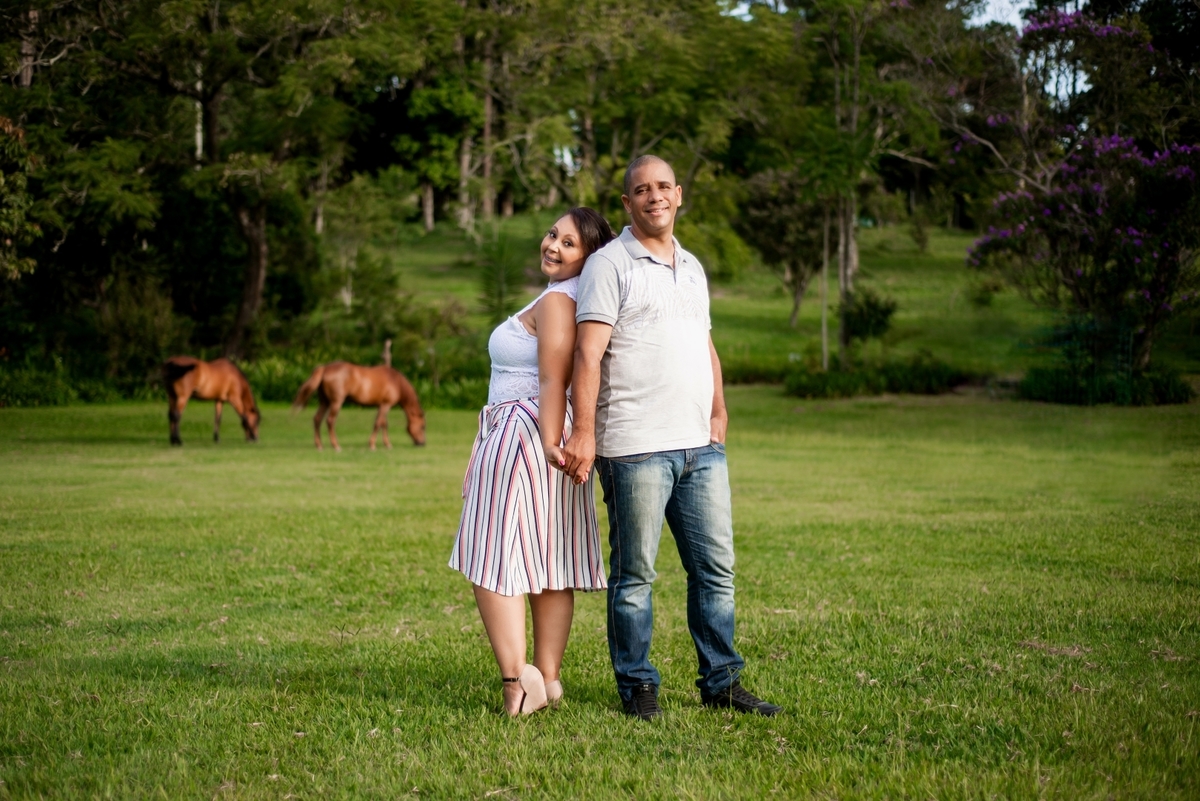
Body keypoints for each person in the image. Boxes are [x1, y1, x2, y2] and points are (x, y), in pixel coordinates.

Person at [563, 156, 782, 720]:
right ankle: (637, 685)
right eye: (641, 190)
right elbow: (588, 354)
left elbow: (704, 344)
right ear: (627, 204)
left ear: (679, 195)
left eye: (662, 187)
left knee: (715, 569)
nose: (653, 197)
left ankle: (722, 681)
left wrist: (720, 409)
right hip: (634, 446)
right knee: (635, 575)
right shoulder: (609, 265)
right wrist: (584, 434)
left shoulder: (693, 266)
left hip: (700, 448)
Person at [450, 207, 615, 716]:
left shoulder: (560, 303)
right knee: (548, 558)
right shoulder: (561, 297)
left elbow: (551, 379)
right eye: (552, 235)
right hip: (532, 430)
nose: (553, 246)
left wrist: (545, 441)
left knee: (490, 555)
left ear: (588, 258)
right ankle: (548, 678)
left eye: (569, 244)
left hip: (526, 430)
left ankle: (516, 685)